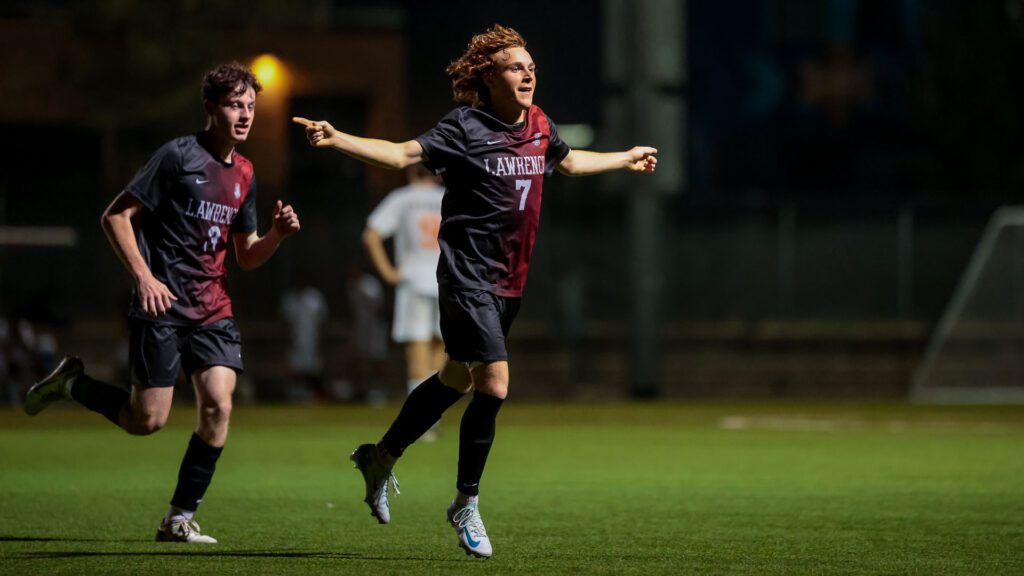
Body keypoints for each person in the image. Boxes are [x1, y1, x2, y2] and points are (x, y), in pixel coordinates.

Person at [294, 24, 656, 558]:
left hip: (510, 281)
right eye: (515, 66)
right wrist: (337, 137)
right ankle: (466, 501)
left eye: (530, 65)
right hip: (466, 276)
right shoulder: (464, 126)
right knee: (495, 382)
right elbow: (399, 155)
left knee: (454, 379)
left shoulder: (538, 124)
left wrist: (624, 157)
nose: (528, 72)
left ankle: (381, 456)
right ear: (488, 78)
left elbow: (571, 160)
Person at [24, 62, 301, 544]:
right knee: (145, 420)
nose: (245, 115)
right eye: (235, 105)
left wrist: (276, 234)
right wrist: (144, 276)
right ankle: (73, 385)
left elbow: (248, 256)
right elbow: (116, 217)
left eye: (251, 106)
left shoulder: (246, 174)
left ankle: (178, 518)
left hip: (213, 308)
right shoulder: (177, 156)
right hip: (164, 306)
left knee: (218, 405)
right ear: (211, 107)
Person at [363, 165, 445, 437]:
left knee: (417, 351)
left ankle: (420, 421)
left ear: (411, 172)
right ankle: (433, 415)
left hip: (413, 281)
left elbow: (371, 235)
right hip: (447, 283)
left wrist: (388, 272)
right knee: (441, 350)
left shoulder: (402, 198)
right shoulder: (448, 197)